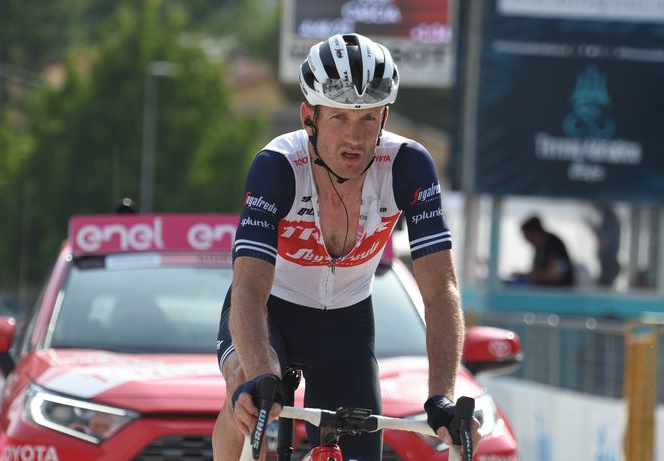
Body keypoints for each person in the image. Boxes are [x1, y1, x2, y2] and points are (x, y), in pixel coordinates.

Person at [212, 33, 479, 460]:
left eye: (368, 119)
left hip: (347, 324)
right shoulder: (277, 167)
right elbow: (248, 289)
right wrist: (262, 377)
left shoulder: (408, 166)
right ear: (308, 117)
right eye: (339, 119)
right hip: (271, 311)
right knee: (250, 397)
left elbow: (439, 290)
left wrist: (441, 397)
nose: (354, 137)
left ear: (385, 118)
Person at [515, 215, 575, 287]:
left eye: (529, 239)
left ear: (534, 233)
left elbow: (555, 276)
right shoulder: (540, 247)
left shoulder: (554, 244)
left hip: (559, 293)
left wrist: (529, 275)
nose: (528, 242)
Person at [587, 203, 620, 287]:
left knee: (605, 286)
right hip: (609, 260)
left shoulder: (609, 218)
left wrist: (594, 230)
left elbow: (605, 239)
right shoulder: (611, 218)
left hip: (608, 261)